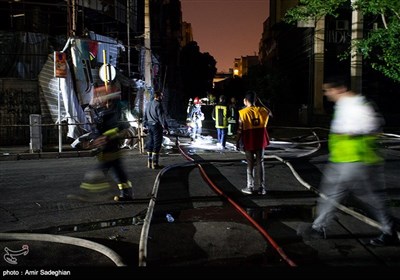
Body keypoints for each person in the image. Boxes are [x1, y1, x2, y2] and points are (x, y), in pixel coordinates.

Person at [299, 76, 399, 246]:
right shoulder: (343, 105)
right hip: (343, 160)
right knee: (335, 194)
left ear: (340, 89)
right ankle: (318, 228)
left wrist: (350, 133)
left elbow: (373, 126)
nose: (327, 94)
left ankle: (389, 229)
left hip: (358, 161)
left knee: (369, 198)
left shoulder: (358, 105)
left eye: (328, 90)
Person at [80, 90, 133, 202]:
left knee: (99, 174)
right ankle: (126, 194)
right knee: (118, 173)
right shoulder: (101, 112)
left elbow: (121, 127)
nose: (104, 102)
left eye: (108, 101)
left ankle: (90, 194)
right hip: (108, 150)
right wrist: (93, 139)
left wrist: (105, 137)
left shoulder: (112, 114)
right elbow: (98, 130)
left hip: (110, 149)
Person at [236, 91, 271, 196]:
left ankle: (250, 187)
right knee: (261, 163)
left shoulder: (242, 112)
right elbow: (270, 113)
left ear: (246, 101)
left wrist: (237, 141)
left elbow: (239, 129)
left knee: (250, 164)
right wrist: (260, 103)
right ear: (256, 100)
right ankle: (262, 188)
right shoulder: (262, 110)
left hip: (249, 140)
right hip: (260, 140)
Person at [143, 91, 169, 169]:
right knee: (157, 144)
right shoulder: (158, 104)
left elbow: (145, 116)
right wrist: (165, 127)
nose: (162, 98)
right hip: (156, 127)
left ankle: (149, 162)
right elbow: (161, 117)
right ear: (158, 96)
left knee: (150, 143)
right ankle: (155, 163)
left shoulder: (148, 104)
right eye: (161, 96)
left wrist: (144, 125)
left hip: (149, 126)